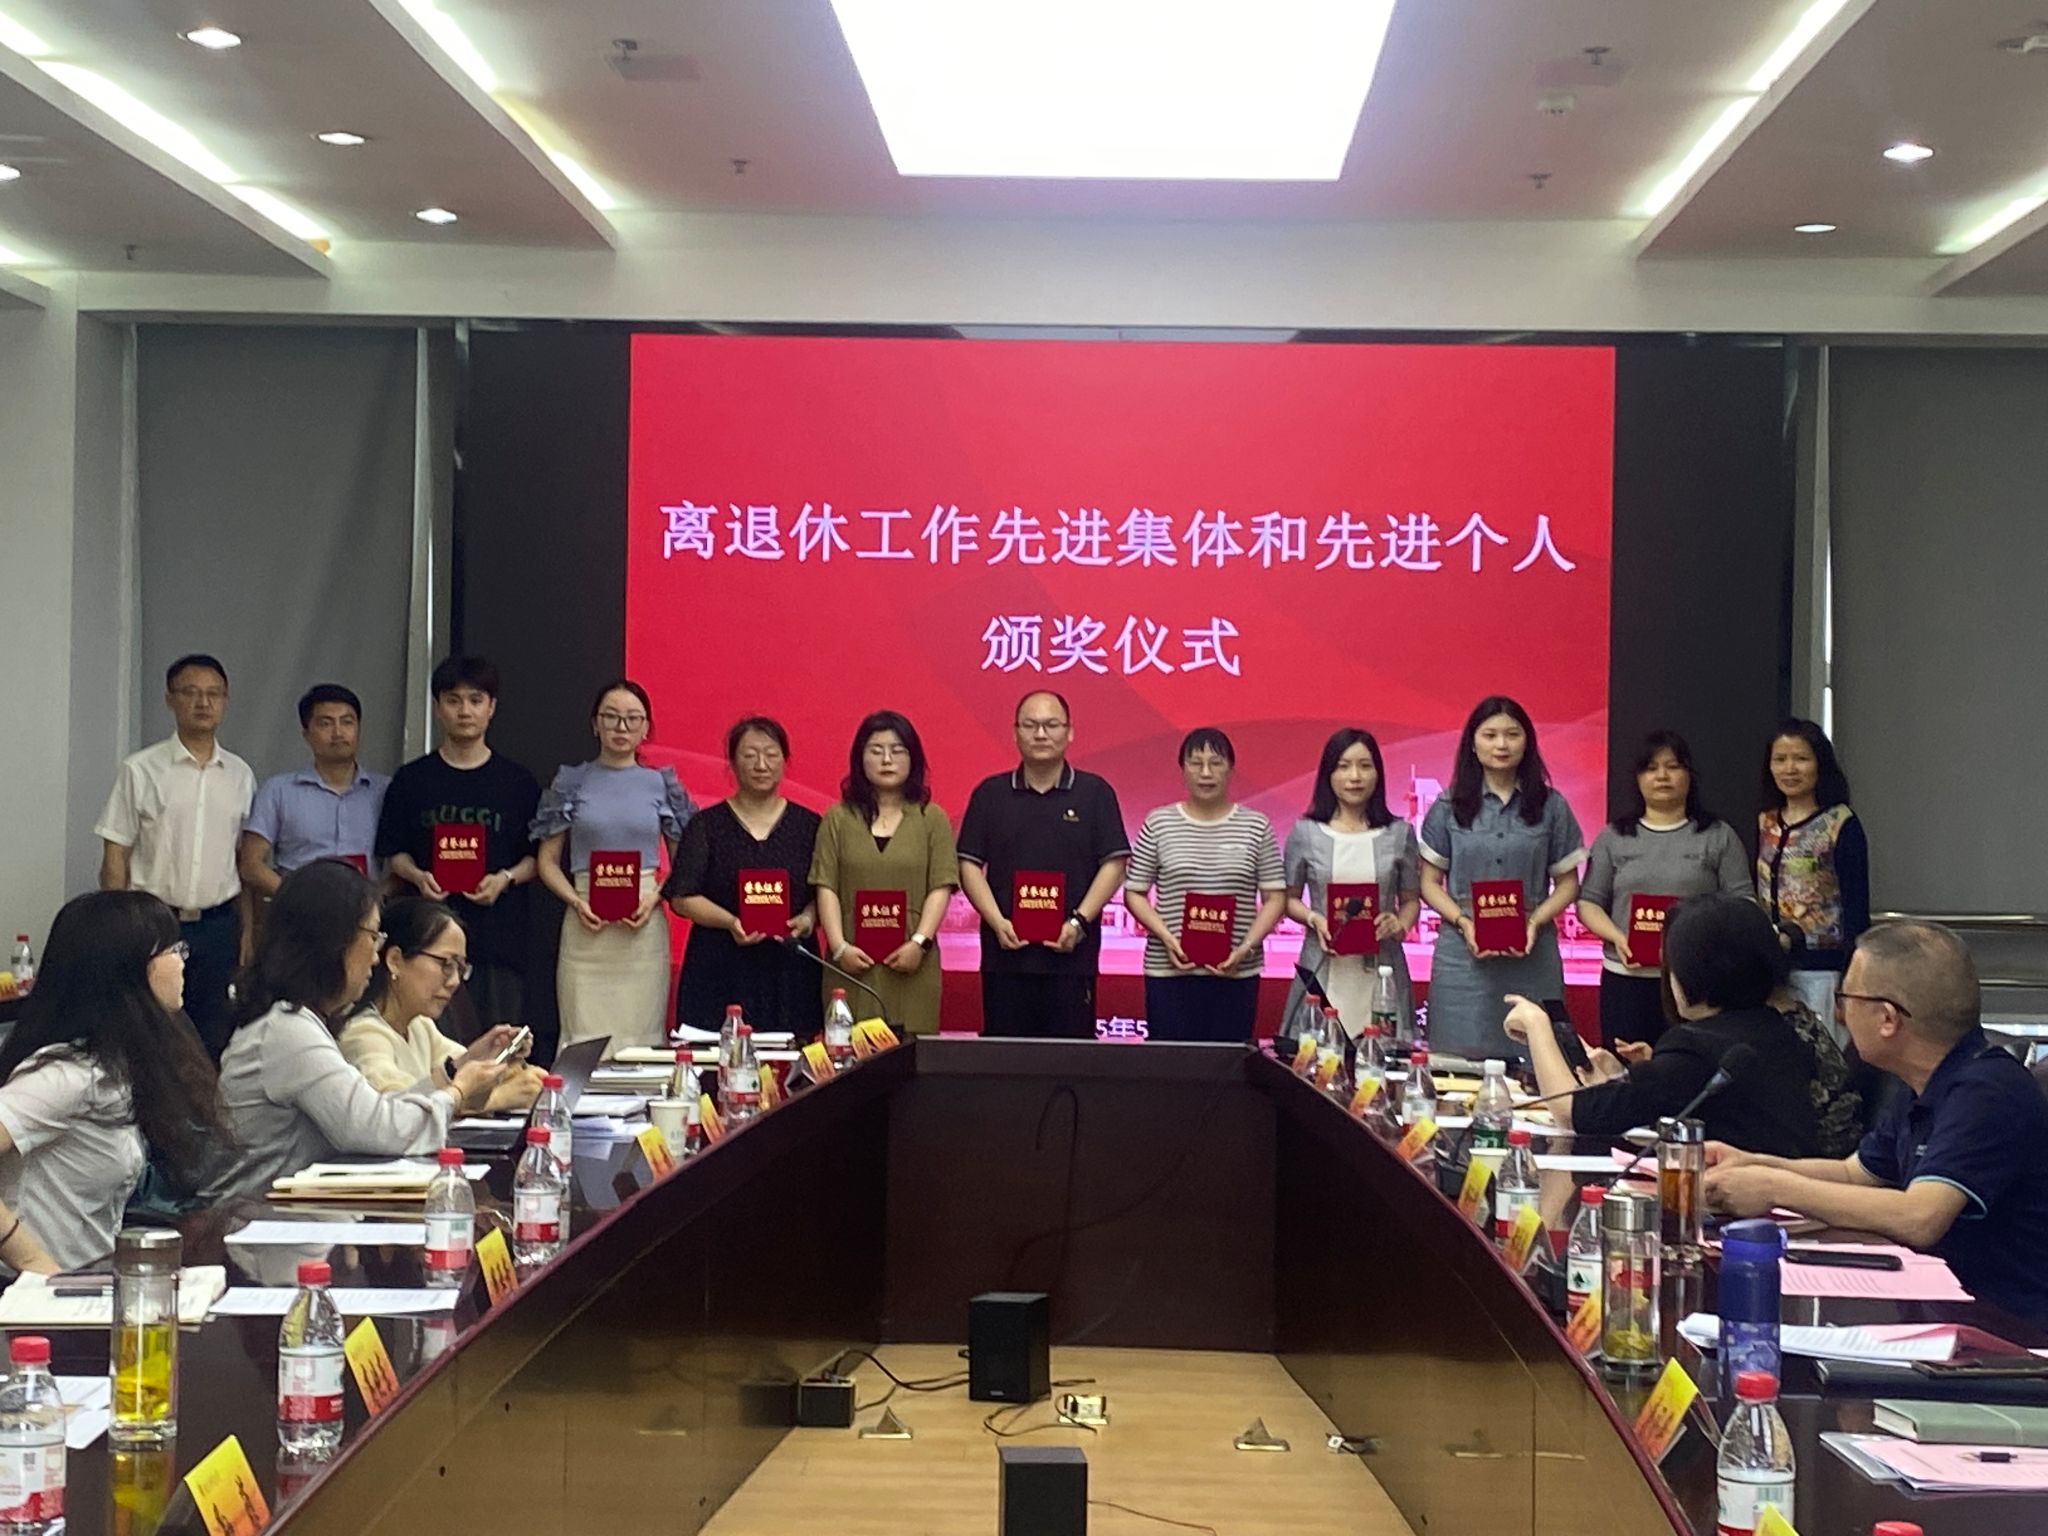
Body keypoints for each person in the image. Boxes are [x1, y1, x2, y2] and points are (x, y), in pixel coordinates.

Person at [1706, 921, 2048, 1322]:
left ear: (1888, 1018)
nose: (1840, 1014)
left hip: (2006, 1326)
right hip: (1939, 1307)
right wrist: (1752, 1163)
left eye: (1846, 998)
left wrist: (1773, 1188)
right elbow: (1855, 1174)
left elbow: (1920, 1217)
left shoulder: (1987, 1090)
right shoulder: (1925, 1081)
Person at [215, 860, 503, 1197]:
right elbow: (378, 1129)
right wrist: (458, 1093)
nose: (376, 956)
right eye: (373, 936)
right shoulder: (287, 1030)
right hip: (261, 1215)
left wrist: (456, 1072)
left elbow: (373, 1109)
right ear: (335, 940)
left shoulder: (294, 1020)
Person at [0, 891, 230, 1273]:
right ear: (130, 968)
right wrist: (29, 1258)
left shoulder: (117, 1065)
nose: (182, 961)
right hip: (39, 1293)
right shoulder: (70, 1075)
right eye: (173, 950)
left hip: (93, 1280)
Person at [1508, 894, 1823, 1157]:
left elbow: (1571, 1113)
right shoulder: (1778, 1029)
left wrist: (1537, 1025)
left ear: (1695, 971)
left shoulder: (1696, 1046)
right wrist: (1625, 1080)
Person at [96, 653, 256, 1057]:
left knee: (212, 1033)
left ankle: (204, 1099)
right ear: (170, 699)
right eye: (191, 693)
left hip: (218, 924)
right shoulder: (140, 770)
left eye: (213, 694)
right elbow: (115, 854)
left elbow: (244, 861)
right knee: (148, 1029)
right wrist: (117, 927)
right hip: (154, 921)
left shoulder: (241, 775)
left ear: (225, 701)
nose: (203, 702)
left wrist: (248, 929)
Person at [375, 655, 542, 1029]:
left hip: (498, 941)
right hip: (425, 942)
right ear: (437, 707)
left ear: (491, 707)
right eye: (453, 700)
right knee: (426, 1041)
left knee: (497, 1042)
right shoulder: (411, 779)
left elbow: (536, 859)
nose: (464, 711)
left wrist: (504, 879)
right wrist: (418, 876)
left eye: (475, 700)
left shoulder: (517, 782)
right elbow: (394, 852)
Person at [1419, 696, 1586, 1061]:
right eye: (1490, 734)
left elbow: (1568, 884)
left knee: (1538, 1060)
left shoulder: (1552, 806)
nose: (1501, 744)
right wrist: (1463, 922)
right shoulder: (1447, 807)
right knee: (1456, 1062)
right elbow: (1428, 883)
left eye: (1512, 734)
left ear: (1527, 742)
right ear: (1472, 743)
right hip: (1462, 956)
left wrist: (1535, 921)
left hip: (1532, 950)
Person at [533, 680, 695, 1055]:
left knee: (640, 1040)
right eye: (611, 717)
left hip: (642, 927)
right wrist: (576, 902)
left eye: (632, 718)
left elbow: (682, 862)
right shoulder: (571, 782)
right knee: (582, 1039)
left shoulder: (661, 785)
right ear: (595, 724)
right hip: (585, 927)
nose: (621, 727)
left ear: (646, 727)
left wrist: (654, 899)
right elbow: (547, 862)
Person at [957, 690, 1130, 1039]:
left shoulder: (1095, 792)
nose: (1040, 734)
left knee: (1069, 1060)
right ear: (1015, 732)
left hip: (1072, 959)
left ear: (1070, 731)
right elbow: (969, 865)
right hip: (1005, 958)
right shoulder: (990, 794)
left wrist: (1079, 921)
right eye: (1030, 725)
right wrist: (997, 922)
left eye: (1051, 725)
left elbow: (1114, 863)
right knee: (1005, 1060)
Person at [1577, 731, 1752, 1051]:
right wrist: (1619, 938)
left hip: (1696, 982)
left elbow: (1744, 903)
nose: (1662, 776)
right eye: (1651, 768)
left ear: (1689, 775)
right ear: (1638, 778)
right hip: (1625, 980)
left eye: (1673, 766)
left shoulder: (1718, 835)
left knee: (1690, 1066)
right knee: (1624, 1069)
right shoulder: (1613, 837)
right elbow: (1588, 903)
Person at [1123, 728, 1285, 1043]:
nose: (1206, 773)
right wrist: (1167, 938)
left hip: (1237, 971)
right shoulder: (1159, 823)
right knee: (1172, 1063)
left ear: (1231, 769)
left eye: (1216, 763)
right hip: (1169, 971)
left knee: (1228, 1064)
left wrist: (1245, 948)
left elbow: (1275, 897)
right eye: (1196, 763)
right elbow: (1135, 892)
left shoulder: (1256, 826)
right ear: (1182, 769)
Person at [663, 717, 821, 1038]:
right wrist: (731, 922)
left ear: (785, 761)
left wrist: (808, 918)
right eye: (750, 755)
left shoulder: (810, 825)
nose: (761, 765)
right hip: (720, 966)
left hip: (789, 968)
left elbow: (825, 891)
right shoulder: (706, 825)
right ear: (732, 763)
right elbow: (682, 896)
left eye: (771, 754)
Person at [809, 711, 957, 1036]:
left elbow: (941, 886)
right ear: (859, 758)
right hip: (850, 963)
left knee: (911, 1053)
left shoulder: (931, 818)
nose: (887, 760)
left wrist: (919, 943)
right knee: (848, 1051)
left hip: (912, 961)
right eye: (876, 750)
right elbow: (826, 886)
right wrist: (839, 948)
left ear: (913, 758)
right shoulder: (838, 818)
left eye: (897, 750)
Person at [338, 899, 544, 1112]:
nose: (454, 981)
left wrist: (494, 1056)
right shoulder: (362, 1034)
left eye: (460, 968)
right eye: (446, 964)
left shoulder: (419, 1025)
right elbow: (399, 1112)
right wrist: (501, 1098)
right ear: (395, 960)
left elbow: (456, 1071)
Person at [1282, 727, 1421, 1040]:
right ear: (1328, 775)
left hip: (1382, 971)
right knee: (1316, 1057)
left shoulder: (1399, 833)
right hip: (1323, 966)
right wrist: (1314, 918)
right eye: (1343, 766)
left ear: (1378, 773)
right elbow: (1288, 899)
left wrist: (1399, 924)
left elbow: (1411, 899)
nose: (1355, 777)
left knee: (1382, 1055)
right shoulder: (1306, 832)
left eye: (1365, 766)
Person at [1757, 718, 1869, 1027]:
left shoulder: (1839, 823)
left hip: (1824, 969)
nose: (1790, 769)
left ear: (1820, 764)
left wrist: (1851, 981)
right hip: (1773, 969)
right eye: (1780, 759)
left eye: (1801, 759)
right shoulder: (1766, 822)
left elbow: (1856, 906)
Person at [240, 684, 390, 898]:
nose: (338, 732)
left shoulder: (385, 791)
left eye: (347, 722)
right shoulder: (278, 790)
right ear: (306, 734)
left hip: (366, 909)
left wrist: (374, 899)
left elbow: (404, 860)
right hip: (298, 909)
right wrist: (296, 898)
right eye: (325, 723)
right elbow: (251, 865)